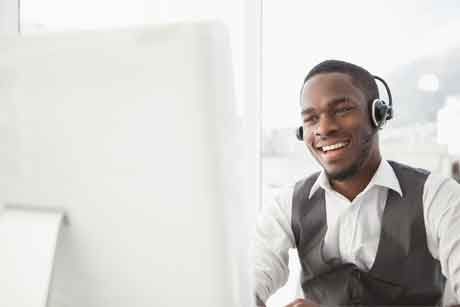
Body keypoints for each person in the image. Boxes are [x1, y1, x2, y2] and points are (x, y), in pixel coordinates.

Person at [253, 60, 460, 307]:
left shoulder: (438, 197)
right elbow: (245, 286)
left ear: (378, 115)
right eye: (311, 118)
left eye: (342, 110)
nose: (324, 128)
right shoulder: (286, 206)